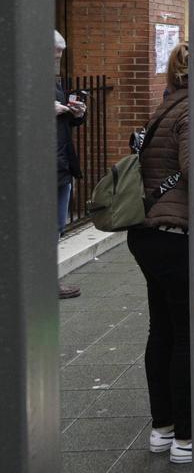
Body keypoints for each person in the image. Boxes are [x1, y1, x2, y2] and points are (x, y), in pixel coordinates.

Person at [127, 42, 193, 464]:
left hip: (147, 232)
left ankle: (162, 428)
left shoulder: (163, 107)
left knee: (162, 330)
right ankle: (186, 437)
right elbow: (193, 169)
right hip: (174, 236)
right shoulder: (190, 113)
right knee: (185, 335)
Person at [54, 30, 86, 299]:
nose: (58, 58)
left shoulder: (54, 81)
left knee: (57, 226)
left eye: (61, 54)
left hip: (61, 163)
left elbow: (62, 120)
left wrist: (76, 113)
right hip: (42, 166)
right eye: (55, 53)